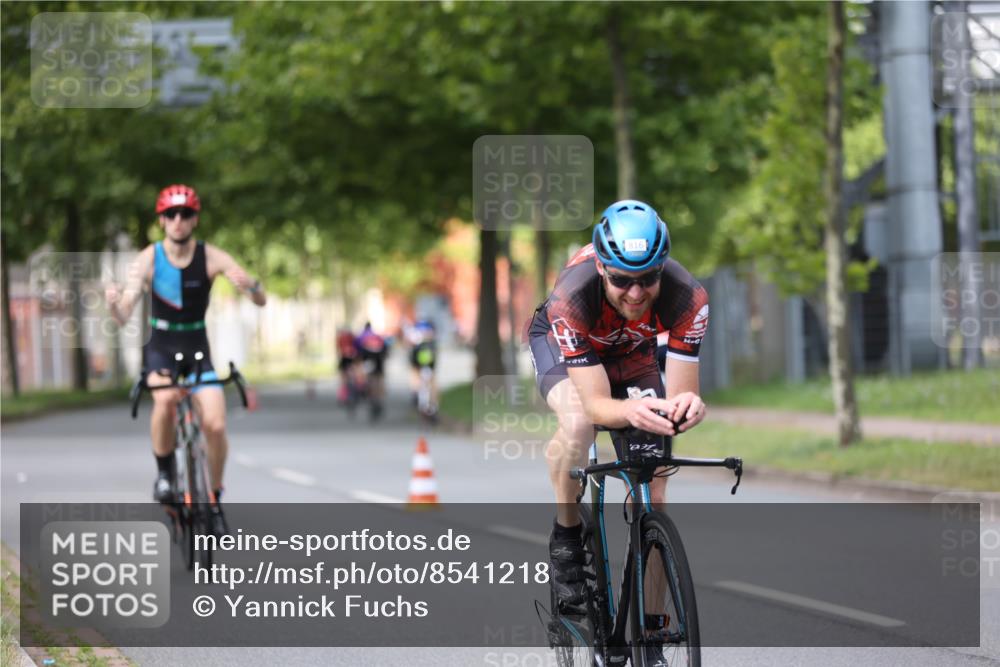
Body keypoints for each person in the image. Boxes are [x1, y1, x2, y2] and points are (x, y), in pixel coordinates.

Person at [526, 199, 709, 657]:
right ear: (602, 269)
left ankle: (655, 635)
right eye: (622, 280)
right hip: (567, 349)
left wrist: (685, 408)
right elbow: (595, 404)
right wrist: (628, 413)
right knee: (579, 423)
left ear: (662, 269)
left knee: (657, 490)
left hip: (633, 353)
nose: (635, 292)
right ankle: (567, 537)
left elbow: (680, 398)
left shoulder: (690, 299)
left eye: (647, 278)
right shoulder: (573, 297)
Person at [106, 184, 266, 536]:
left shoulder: (211, 256)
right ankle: (165, 476)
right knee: (164, 400)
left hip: (197, 349)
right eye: (171, 214)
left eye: (186, 214)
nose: (179, 220)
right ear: (162, 220)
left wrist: (251, 287)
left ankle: (214, 495)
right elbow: (124, 312)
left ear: (195, 219)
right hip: (161, 347)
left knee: (216, 424)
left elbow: (260, 299)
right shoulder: (148, 258)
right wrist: (114, 304)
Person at [355, 322, 389, 420]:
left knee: (370, 380)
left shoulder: (361, 336)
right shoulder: (378, 336)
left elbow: (358, 351)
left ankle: (371, 396)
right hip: (379, 362)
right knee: (379, 380)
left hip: (368, 361)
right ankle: (379, 398)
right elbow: (385, 350)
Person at [406, 319, 438, 414]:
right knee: (432, 378)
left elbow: (409, 342)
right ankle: (434, 404)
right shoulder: (430, 328)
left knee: (415, 372)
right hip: (429, 354)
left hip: (417, 353)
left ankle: (415, 392)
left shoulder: (416, 327)